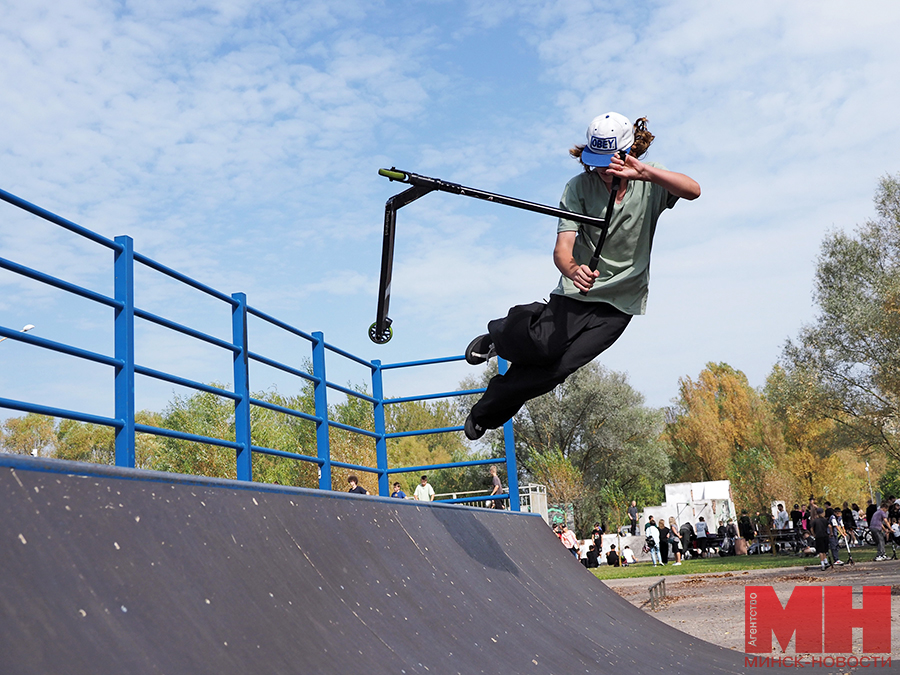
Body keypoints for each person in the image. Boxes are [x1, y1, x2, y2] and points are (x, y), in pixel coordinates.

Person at [461, 113, 700, 440]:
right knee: (545, 347)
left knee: (555, 372)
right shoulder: (578, 188)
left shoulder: (651, 184)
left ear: (628, 153)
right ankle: (498, 337)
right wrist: (574, 269)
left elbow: (694, 190)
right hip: (579, 291)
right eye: (595, 160)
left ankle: (485, 412)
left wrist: (645, 172)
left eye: (609, 160)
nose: (601, 169)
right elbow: (562, 250)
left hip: (622, 302)